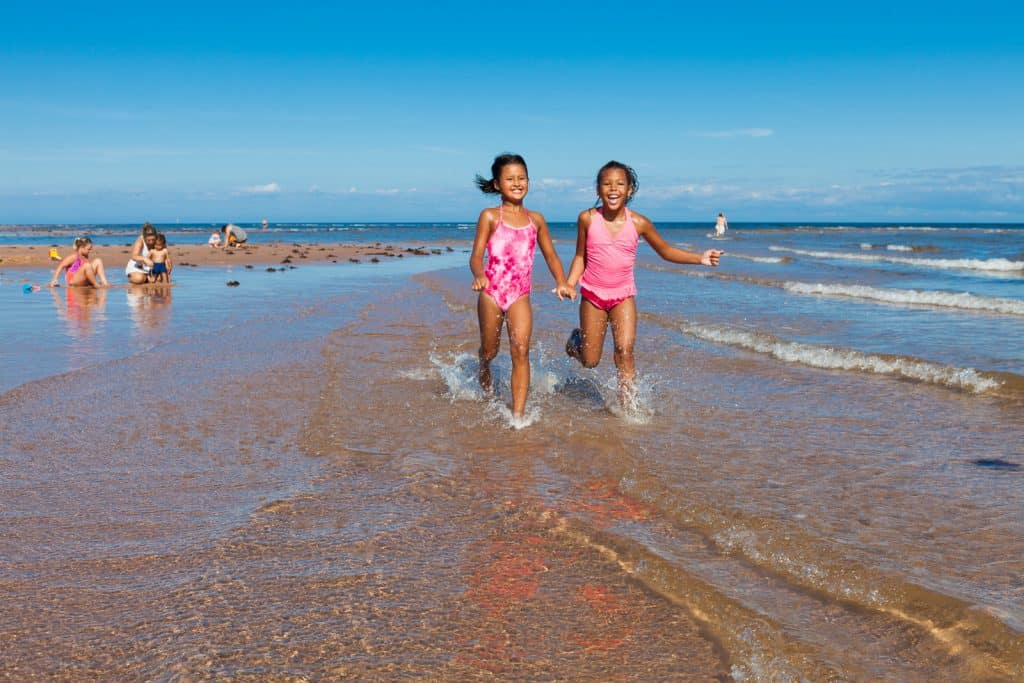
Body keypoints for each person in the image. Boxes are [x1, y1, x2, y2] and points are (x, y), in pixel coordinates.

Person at [564, 161, 723, 406]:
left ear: (629, 190)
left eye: (620, 184)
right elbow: (580, 256)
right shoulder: (587, 218)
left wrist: (699, 258)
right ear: (598, 190)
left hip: (623, 297)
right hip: (593, 296)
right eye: (607, 184)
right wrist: (570, 282)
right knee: (590, 361)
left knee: (624, 352)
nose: (613, 189)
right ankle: (576, 342)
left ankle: (629, 408)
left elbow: (665, 251)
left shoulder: (639, 223)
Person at [470, 153, 575, 418]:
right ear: (497, 184)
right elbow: (476, 255)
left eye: (522, 178)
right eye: (510, 179)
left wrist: (561, 281)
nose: (517, 183)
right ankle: (484, 363)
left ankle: (518, 415)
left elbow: (550, 254)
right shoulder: (490, 216)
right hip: (491, 293)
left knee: (520, 349)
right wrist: (479, 274)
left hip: (519, 295)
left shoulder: (536, 219)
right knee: (491, 349)